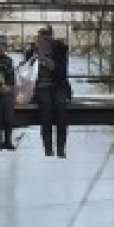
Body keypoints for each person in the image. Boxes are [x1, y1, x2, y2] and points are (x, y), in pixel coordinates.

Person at [23, 25, 73, 157]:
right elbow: (25, 74)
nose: (43, 40)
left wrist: (48, 62)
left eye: (46, 37)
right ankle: (48, 148)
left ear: (51, 38)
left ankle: (61, 148)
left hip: (58, 85)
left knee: (61, 105)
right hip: (39, 88)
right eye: (40, 37)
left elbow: (62, 74)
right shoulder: (31, 51)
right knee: (46, 106)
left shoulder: (60, 50)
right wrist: (32, 62)